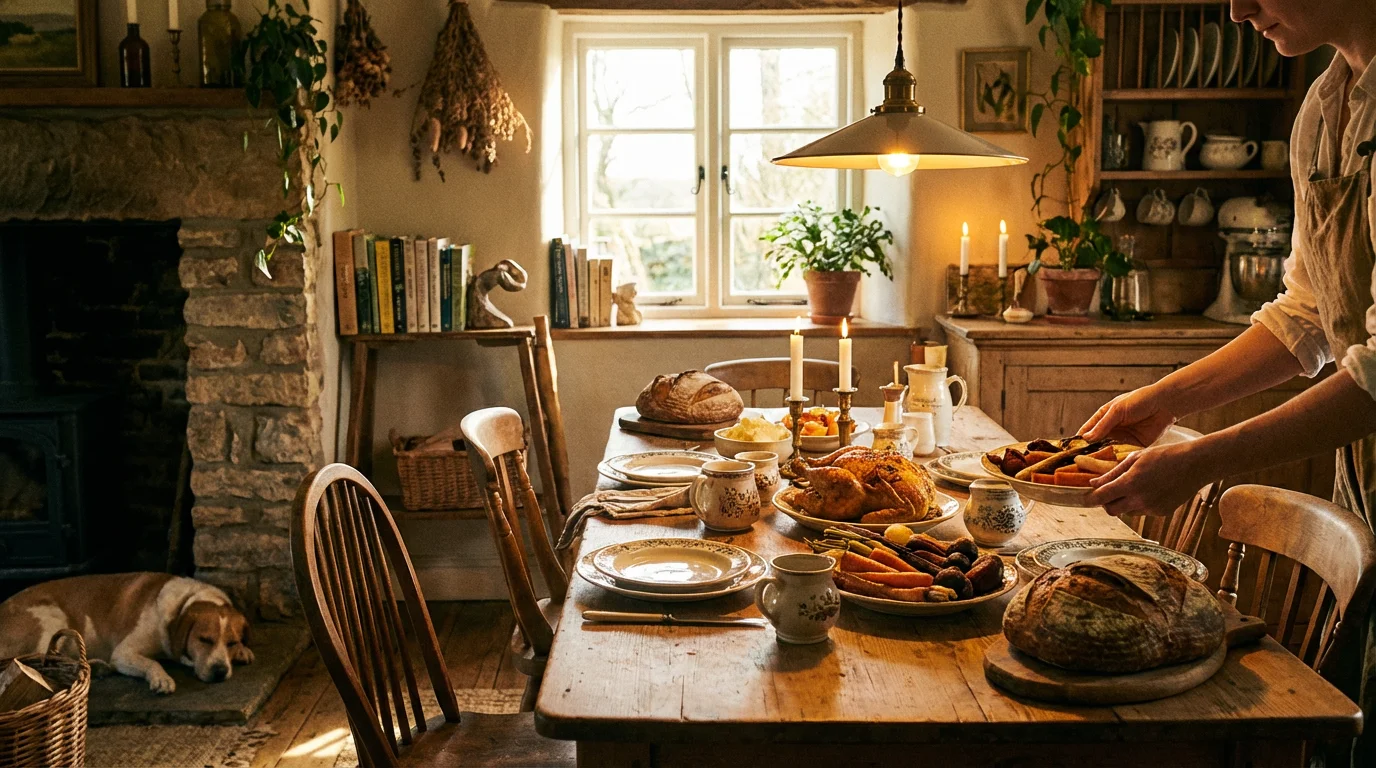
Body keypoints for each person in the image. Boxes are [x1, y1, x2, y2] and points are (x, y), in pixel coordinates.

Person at [1080, 1, 1376, 762]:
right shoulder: (1322, 108)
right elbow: (1308, 317)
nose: (1240, 9)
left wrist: (1204, 458)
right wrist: (1162, 399)